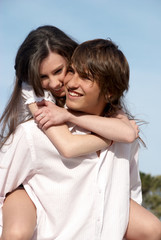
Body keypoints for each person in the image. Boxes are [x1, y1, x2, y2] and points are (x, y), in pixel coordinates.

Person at [0, 30, 160, 239]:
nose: (57, 83)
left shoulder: (120, 130)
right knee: (17, 231)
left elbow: (129, 192)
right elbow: (68, 146)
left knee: (152, 228)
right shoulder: (37, 107)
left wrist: (121, 130)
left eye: (61, 71)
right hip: (21, 186)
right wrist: (113, 135)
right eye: (43, 77)